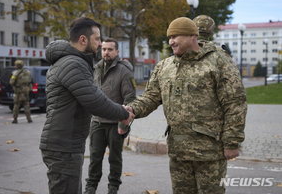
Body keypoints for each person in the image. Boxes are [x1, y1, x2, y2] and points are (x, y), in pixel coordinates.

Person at [125, 17, 247, 194]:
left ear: (192, 36)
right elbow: (151, 97)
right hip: (178, 151)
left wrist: (232, 141)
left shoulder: (218, 61)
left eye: (175, 36)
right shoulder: (165, 66)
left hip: (209, 152)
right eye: (169, 37)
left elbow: (235, 102)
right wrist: (132, 109)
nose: (171, 42)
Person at [39, 17, 134, 194]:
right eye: (97, 39)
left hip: (65, 144)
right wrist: (122, 112)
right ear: (83, 39)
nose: (99, 44)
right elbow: (95, 100)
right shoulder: (72, 63)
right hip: (63, 146)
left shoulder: (72, 61)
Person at [84, 38, 136, 194]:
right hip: (97, 122)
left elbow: (130, 99)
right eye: (104, 49)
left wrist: (123, 124)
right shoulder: (95, 68)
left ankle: (113, 187)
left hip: (115, 123)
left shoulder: (124, 71)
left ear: (117, 52)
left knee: (115, 158)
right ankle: (91, 187)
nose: (106, 52)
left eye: (110, 49)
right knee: (94, 157)